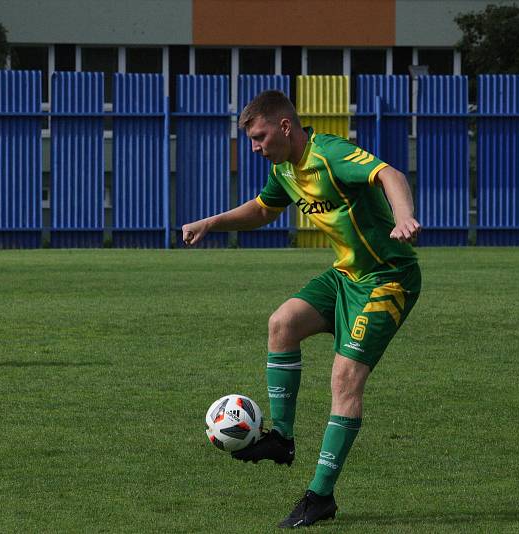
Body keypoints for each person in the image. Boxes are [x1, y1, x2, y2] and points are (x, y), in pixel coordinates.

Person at [182, 90, 422, 528]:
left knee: (345, 379)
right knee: (282, 323)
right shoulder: (284, 168)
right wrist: (210, 223)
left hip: (387, 277)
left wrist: (403, 216)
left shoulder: (329, 154)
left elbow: (391, 175)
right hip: (346, 277)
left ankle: (319, 497)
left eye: (259, 137)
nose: (255, 147)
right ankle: (282, 439)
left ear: (285, 127)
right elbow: (261, 210)